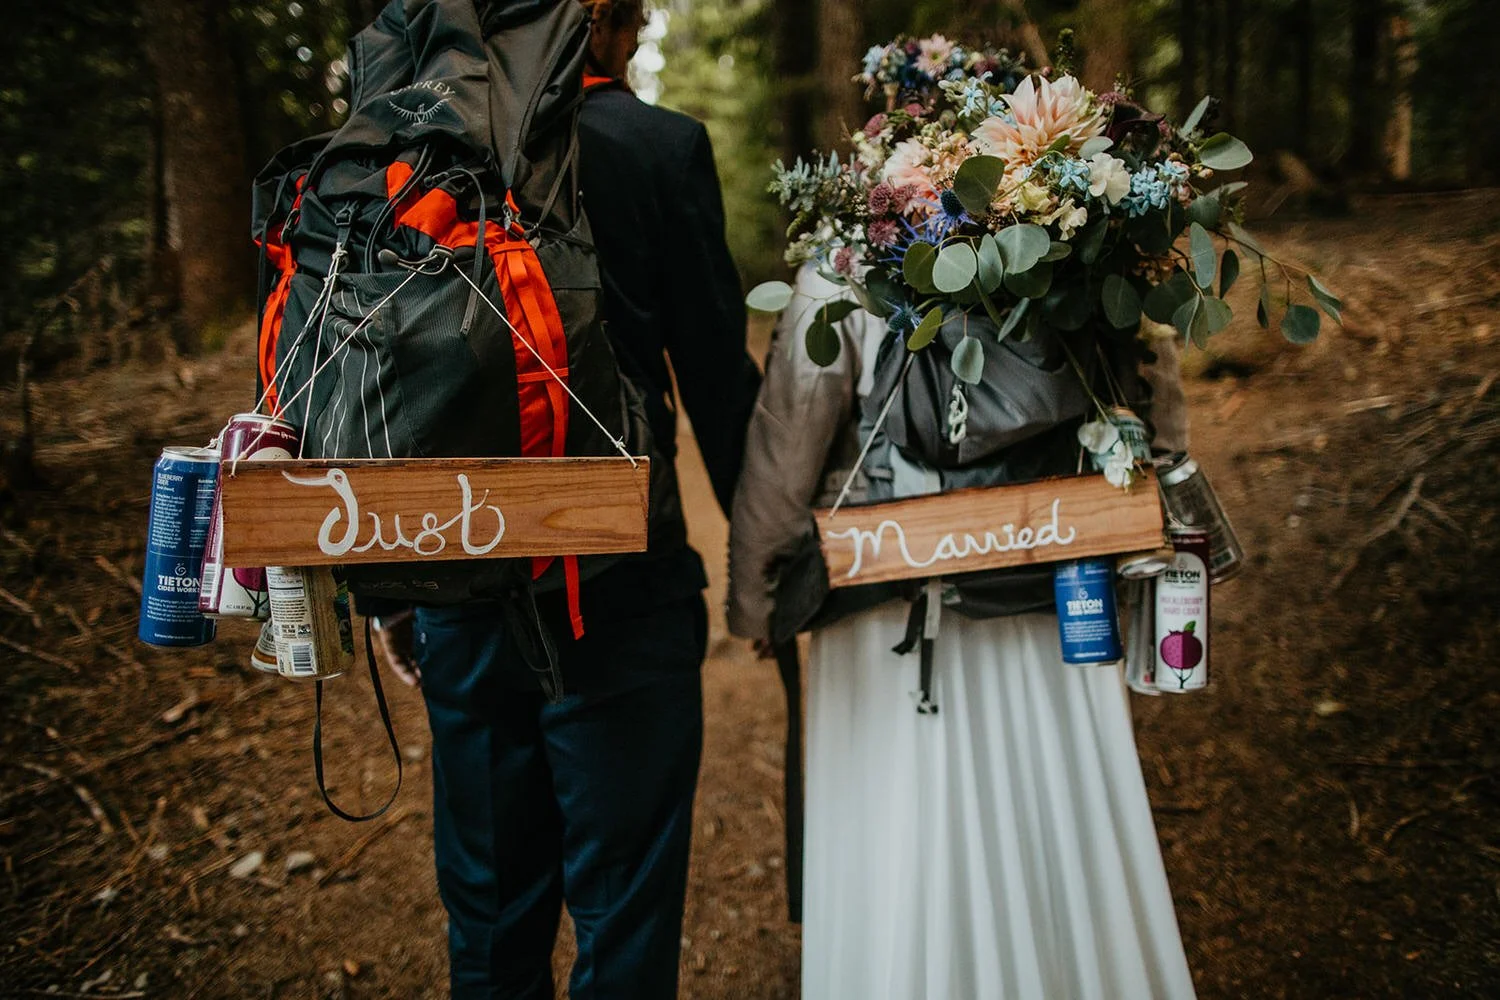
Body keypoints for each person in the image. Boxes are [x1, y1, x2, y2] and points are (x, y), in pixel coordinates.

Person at [373, 2, 760, 996]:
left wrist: (394, 587)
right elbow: (720, 386)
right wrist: (770, 560)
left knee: (491, 923)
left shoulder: (417, 149)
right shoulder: (657, 147)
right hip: (620, 590)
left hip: (458, 584)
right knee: (623, 915)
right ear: (619, 27)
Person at [727, 266, 1198, 1000]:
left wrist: (760, 600)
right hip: (1050, 582)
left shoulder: (844, 262)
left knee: (898, 829)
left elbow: (789, 442)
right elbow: (1149, 389)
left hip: (883, 588)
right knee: (1051, 813)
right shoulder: (1087, 243)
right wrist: (1155, 527)